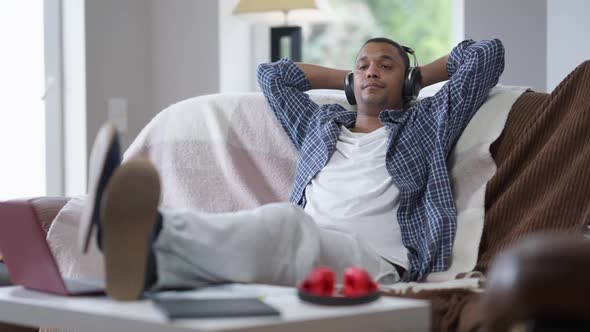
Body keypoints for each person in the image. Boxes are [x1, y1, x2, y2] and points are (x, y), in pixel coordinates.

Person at [81, 37, 505, 300]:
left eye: (385, 65)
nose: (372, 69)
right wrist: (349, 78)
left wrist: (417, 76)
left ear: (405, 79)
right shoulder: (320, 126)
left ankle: (145, 231)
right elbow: (273, 76)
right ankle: (150, 260)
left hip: (378, 266)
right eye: (363, 65)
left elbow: (487, 55)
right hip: (309, 252)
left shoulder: (426, 121)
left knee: (283, 225)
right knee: (256, 246)